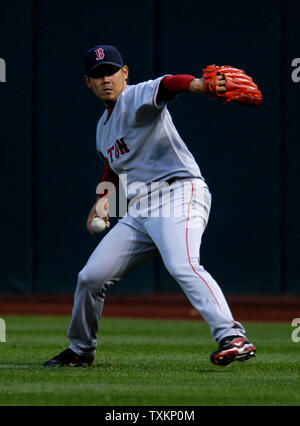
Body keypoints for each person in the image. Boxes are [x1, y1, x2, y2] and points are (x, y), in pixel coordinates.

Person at [44, 45, 256, 368]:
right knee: (90, 277)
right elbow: (112, 166)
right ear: (87, 82)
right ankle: (81, 349)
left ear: (124, 73)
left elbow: (169, 84)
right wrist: (102, 201)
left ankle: (233, 336)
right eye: (98, 75)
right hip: (140, 210)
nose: (106, 80)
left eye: (111, 72)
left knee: (183, 264)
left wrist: (198, 85)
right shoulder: (102, 129)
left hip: (179, 193)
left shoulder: (136, 96)